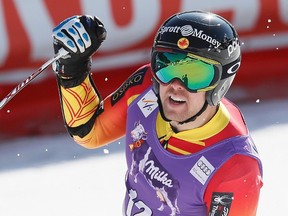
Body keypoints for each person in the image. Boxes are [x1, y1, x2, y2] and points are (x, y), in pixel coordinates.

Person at [52, 11, 263, 216]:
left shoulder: (235, 167)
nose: (175, 85)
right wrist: (72, 70)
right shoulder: (145, 88)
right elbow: (90, 132)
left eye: (196, 74)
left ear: (220, 84)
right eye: (167, 66)